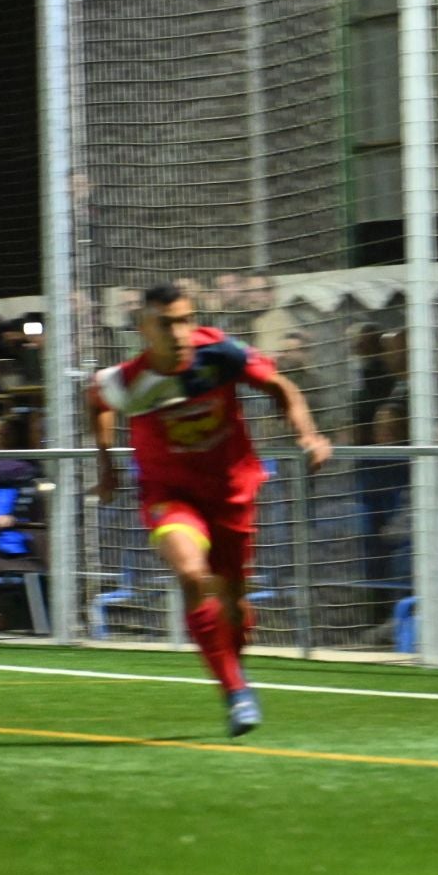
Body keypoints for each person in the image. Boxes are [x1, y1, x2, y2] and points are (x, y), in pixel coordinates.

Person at [86, 283, 332, 736]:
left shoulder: (220, 354)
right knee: (193, 576)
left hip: (232, 492)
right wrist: (107, 465)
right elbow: (96, 400)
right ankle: (235, 691)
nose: (179, 332)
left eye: (185, 320)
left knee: (234, 603)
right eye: (167, 323)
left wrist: (308, 434)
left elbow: (281, 386)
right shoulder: (128, 381)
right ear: (144, 328)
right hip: (170, 495)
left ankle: (233, 670)